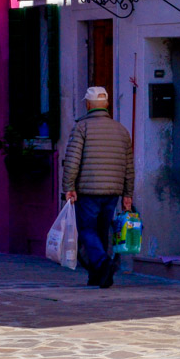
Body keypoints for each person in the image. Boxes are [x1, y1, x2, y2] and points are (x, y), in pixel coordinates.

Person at [61, 86, 134, 288]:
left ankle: (103, 264)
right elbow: (129, 165)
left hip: (88, 190)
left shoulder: (81, 128)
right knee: (102, 232)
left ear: (88, 104)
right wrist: (128, 194)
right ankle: (99, 276)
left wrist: (69, 187)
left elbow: (72, 160)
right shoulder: (121, 130)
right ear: (107, 104)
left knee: (86, 230)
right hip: (113, 192)